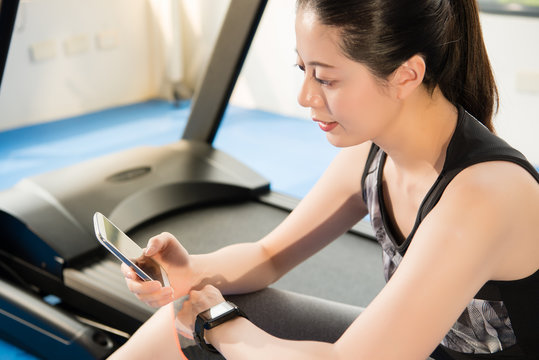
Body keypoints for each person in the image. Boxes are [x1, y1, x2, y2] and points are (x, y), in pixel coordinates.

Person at [110, 0, 539, 359]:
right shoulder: (370, 156)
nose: (305, 97)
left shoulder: (482, 197)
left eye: (327, 78)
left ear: (406, 75)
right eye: (303, 70)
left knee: (217, 324)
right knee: (182, 314)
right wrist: (191, 271)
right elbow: (270, 254)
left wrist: (222, 327)